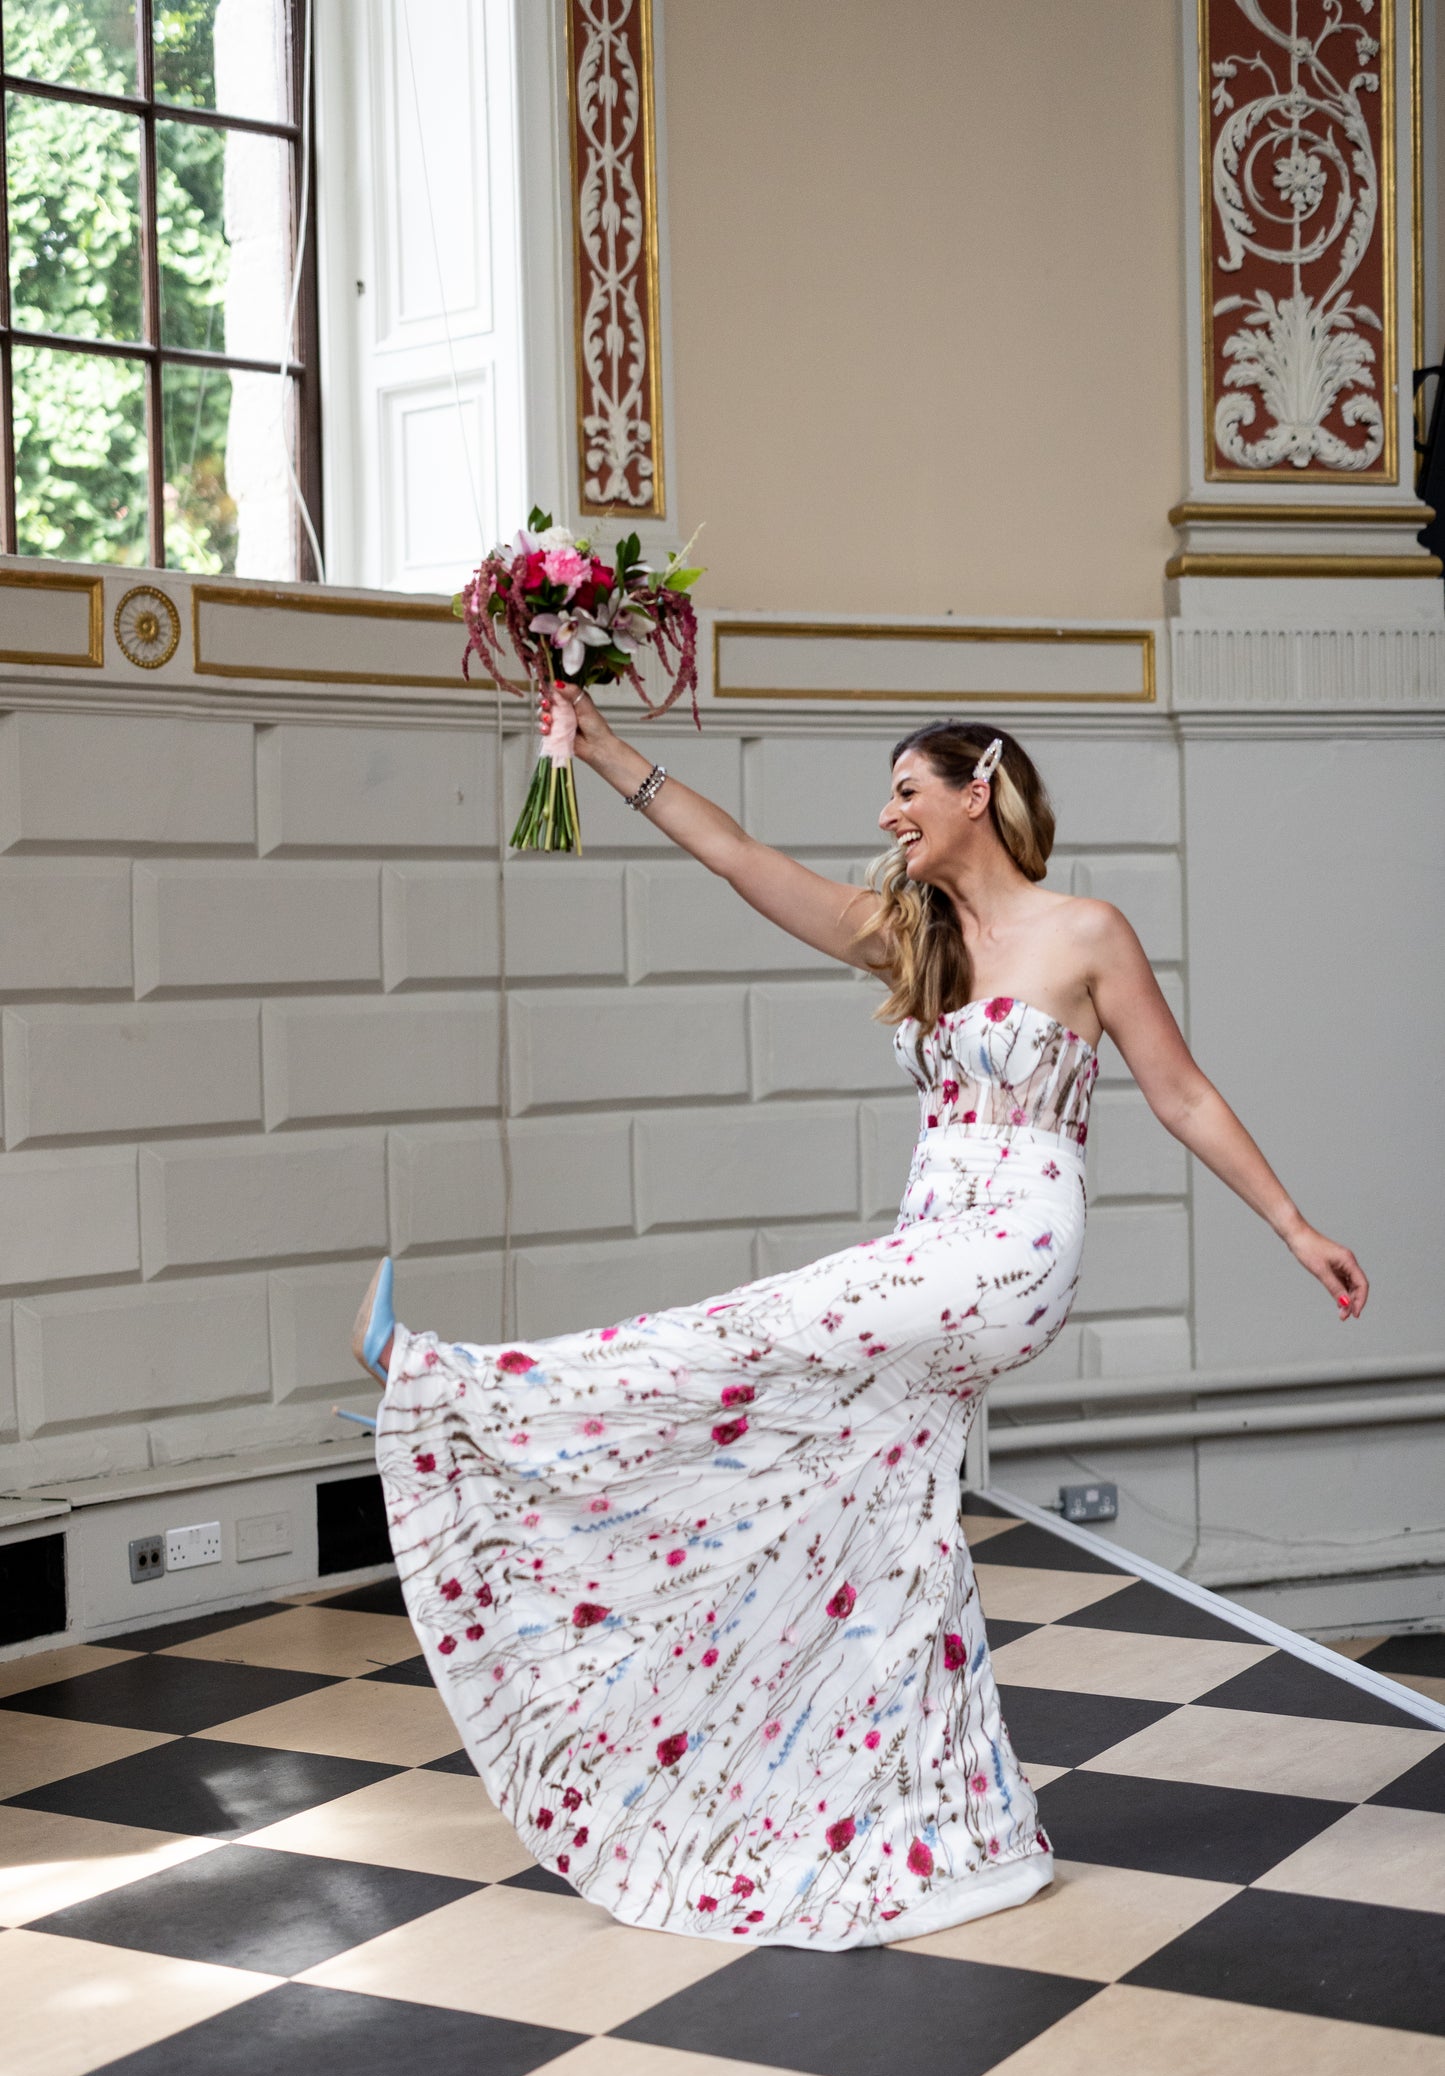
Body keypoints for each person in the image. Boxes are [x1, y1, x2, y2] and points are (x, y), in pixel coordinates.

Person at [352, 694, 1367, 1951]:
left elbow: (1182, 1091)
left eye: (905, 790)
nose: (886, 814)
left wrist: (1291, 1224)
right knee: (879, 1517)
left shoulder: (1082, 934)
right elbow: (740, 861)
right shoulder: (910, 936)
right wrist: (608, 753)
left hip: (1009, 1246)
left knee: (758, 1326)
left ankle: (468, 1385)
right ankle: (952, 1832)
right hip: (925, 1238)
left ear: (975, 789)